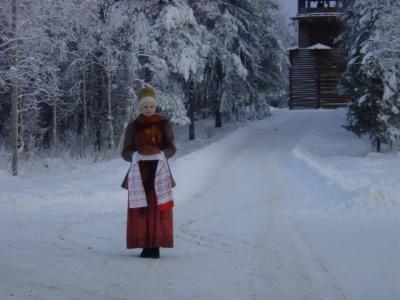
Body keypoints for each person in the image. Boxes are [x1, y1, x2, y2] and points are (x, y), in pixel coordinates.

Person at [121, 86, 176, 258]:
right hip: (139, 174)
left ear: (155, 106)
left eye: (151, 106)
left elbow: (171, 148)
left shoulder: (163, 124)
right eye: (145, 106)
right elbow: (125, 151)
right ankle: (144, 245)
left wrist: (161, 154)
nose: (148, 109)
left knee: (158, 208)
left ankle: (156, 245)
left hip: (158, 172)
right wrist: (135, 155)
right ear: (140, 107)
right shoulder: (133, 126)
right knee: (141, 209)